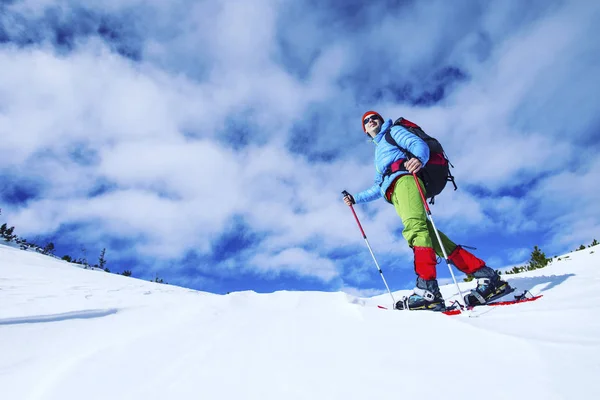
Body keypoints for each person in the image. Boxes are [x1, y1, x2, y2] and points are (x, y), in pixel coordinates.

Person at [343, 111, 510, 311]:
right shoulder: (379, 154)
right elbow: (377, 187)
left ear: (380, 121)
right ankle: (487, 276)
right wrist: (355, 198)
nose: (370, 121)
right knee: (431, 236)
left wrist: (419, 159)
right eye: (366, 121)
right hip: (394, 192)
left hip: (405, 182)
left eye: (374, 118)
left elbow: (417, 145)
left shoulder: (393, 132)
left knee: (416, 229)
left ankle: (427, 290)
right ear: (365, 130)